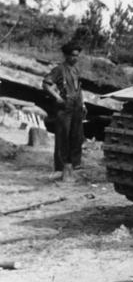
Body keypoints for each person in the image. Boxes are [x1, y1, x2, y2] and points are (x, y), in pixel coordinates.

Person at [42, 42, 86, 182]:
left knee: (77, 136)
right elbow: (46, 83)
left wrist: (83, 103)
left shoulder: (76, 70)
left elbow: (79, 88)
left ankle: (75, 165)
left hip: (77, 105)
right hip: (65, 106)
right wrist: (57, 97)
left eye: (77, 56)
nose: (75, 58)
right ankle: (60, 168)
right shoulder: (59, 69)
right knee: (63, 137)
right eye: (72, 55)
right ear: (66, 55)